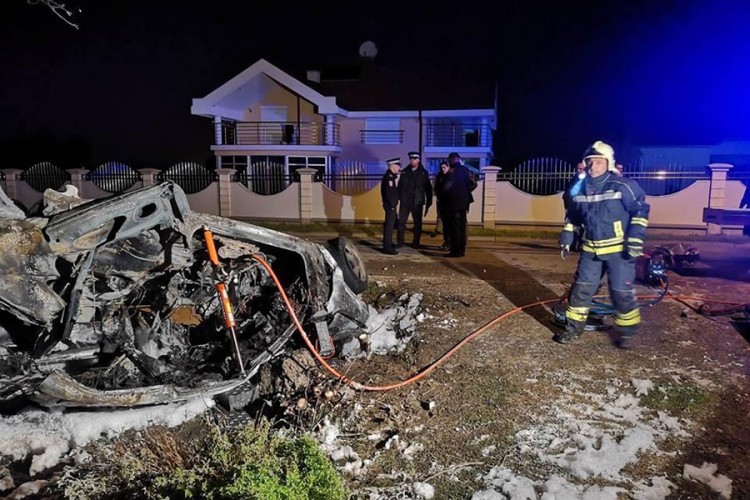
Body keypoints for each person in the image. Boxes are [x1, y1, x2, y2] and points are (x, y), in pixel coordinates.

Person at [556, 141, 650, 349]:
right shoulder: (578, 188)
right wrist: (567, 235)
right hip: (591, 250)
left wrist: (635, 237)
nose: (593, 167)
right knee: (581, 290)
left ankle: (626, 332)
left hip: (619, 251)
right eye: (590, 162)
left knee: (620, 293)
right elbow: (572, 215)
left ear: (608, 163)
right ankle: (573, 328)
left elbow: (640, 210)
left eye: (598, 162)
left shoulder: (623, 185)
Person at [443, 152, 477, 257]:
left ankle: (455, 251)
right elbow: (474, 183)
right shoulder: (466, 170)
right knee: (462, 227)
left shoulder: (451, 172)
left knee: (455, 228)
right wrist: (466, 192)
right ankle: (461, 250)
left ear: (452, 160)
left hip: (453, 204)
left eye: (449, 160)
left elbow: (447, 187)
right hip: (464, 204)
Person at [397, 151, 433, 249]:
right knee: (401, 223)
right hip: (405, 202)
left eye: (414, 159)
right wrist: (399, 198)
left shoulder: (423, 173)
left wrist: (429, 202)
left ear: (418, 160)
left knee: (417, 224)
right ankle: (400, 242)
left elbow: (428, 189)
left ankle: (416, 243)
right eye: (411, 159)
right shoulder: (405, 171)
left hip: (417, 202)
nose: (412, 161)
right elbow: (400, 186)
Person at [381, 157, 401, 254]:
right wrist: (393, 205)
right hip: (390, 206)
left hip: (390, 205)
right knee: (389, 227)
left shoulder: (391, 176)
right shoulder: (389, 177)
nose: (399, 168)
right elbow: (389, 193)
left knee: (390, 226)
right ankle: (387, 248)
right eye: (397, 166)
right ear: (392, 166)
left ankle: (388, 245)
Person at [432, 160, 452, 250]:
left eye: (444, 167)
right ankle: (446, 242)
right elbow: (435, 187)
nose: (443, 169)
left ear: (448, 167)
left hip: (450, 203)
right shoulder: (439, 176)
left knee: (450, 224)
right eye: (441, 167)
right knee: (445, 224)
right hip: (442, 202)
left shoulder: (451, 176)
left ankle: (450, 242)